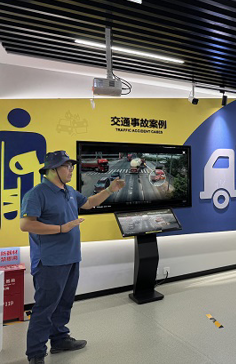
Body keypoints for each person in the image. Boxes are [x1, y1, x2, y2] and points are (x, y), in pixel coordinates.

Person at [20, 151, 125, 364]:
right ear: (52, 169)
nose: (71, 170)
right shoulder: (37, 194)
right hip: (49, 261)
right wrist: (61, 228)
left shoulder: (68, 191)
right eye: (67, 166)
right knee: (45, 308)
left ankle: (59, 340)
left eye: (71, 166)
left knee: (64, 303)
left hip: (71, 257)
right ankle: (36, 353)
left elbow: (89, 203)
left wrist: (109, 190)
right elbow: (26, 224)